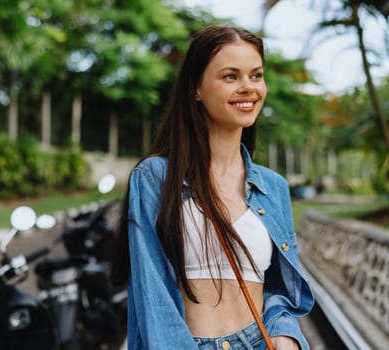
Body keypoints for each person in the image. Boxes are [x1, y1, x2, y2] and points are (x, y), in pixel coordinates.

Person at [111, 24, 314, 350]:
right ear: (196, 88)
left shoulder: (273, 188)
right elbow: (153, 297)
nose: (248, 87)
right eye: (230, 76)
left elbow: (279, 290)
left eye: (256, 75)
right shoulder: (154, 178)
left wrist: (285, 335)